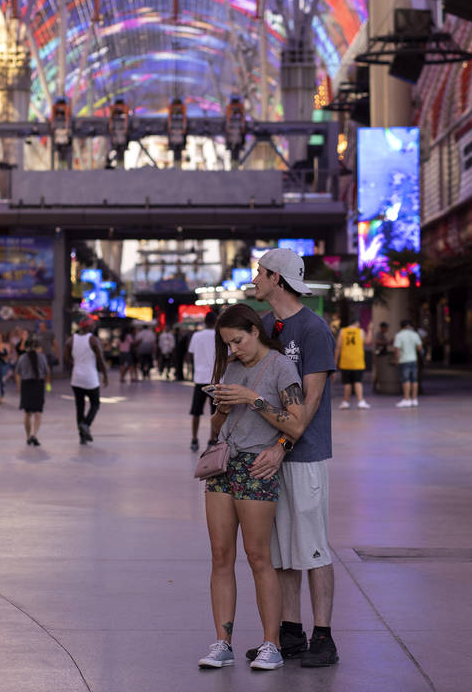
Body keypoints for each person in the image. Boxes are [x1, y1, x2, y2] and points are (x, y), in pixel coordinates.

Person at [197, 304, 307, 672]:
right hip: (223, 465)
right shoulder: (230, 367)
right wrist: (223, 408)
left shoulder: (280, 367)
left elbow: (295, 426)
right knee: (220, 555)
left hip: (258, 466)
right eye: (228, 344)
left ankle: (270, 644)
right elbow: (214, 429)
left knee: (259, 557)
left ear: (256, 331)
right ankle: (222, 642)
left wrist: (251, 399)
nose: (234, 350)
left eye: (238, 341)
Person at [247, 247, 339, 668]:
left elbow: (312, 399)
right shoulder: (265, 327)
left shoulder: (313, 330)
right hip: (270, 455)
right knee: (281, 549)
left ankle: (324, 637)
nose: (255, 278)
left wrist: (283, 446)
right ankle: (290, 632)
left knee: (313, 547)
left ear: (277, 278)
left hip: (302, 456)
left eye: (260, 272)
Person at [65, 318, 109, 445]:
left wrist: (75, 365)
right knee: (95, 404)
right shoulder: (93, 339)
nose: (94, 326)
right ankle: (86, 424)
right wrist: (105, 375)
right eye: (92, 324)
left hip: (76, 378)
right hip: (90, 378)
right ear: (88, 327)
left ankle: (82, 437)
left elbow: (66, 358)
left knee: (80, 407)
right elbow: (100, 359)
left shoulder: (71, 340)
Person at [187, 310, 219, 452]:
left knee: (196, 411)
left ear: (204, 322)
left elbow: (190, 354)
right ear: (216, 322)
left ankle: (194, 439)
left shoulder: (196, 336)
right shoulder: (219, 336)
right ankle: (212, 439)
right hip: (214, 379)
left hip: (199, 378)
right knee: (215, 412)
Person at [15, 337, 51, 446]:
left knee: (27, 413)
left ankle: (27, 436)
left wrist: (18, 387)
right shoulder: (42, 357)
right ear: (38, 347)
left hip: (26, 385)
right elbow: (47, 372)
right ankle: (34, 435)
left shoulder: (22, 357)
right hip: (38, 385)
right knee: (37, 412)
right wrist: (48, 385)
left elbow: (17, 372)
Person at [335, 315, 370, 410]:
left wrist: (335, 361)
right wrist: (370, 330)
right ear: (357, 323)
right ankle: (361, 402)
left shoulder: (343, 331)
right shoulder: (360, 331)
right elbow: (368, 341)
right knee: (358, 382)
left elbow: (338, 347)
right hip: (357, 362)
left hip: (345, 361)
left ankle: (345, 402)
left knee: (347, 383)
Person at [393, 319, 424, 408]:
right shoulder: (415, 334)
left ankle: (406, 399)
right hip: (413, 359)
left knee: (405, 380)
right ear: (408, 326)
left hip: (404, 360)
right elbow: (419, 347)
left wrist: (396, 360)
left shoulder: (399, 335)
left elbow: (397, 349)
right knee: (414, 380)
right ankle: (414, 399)